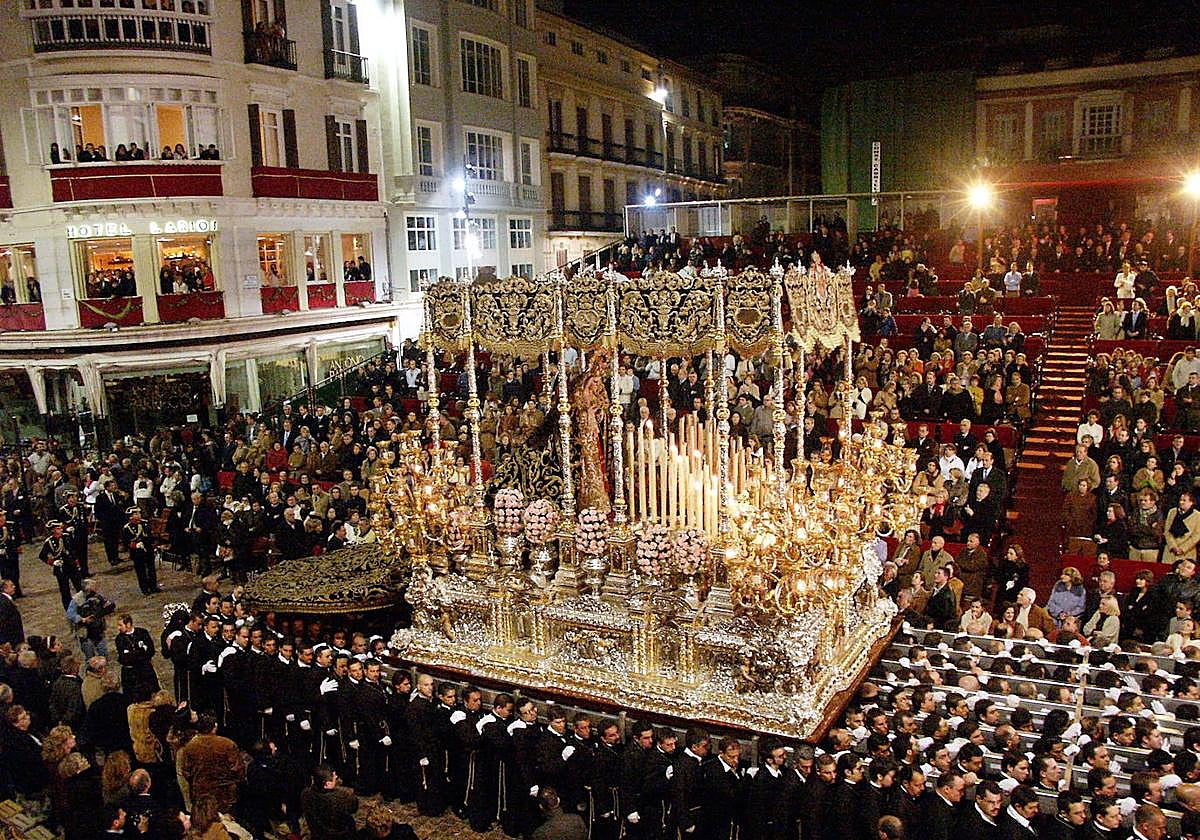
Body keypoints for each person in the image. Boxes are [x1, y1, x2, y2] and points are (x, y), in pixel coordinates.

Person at [302, 765, 359, 840]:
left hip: (317, 834)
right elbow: (354, 808)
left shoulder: (305, 794)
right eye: (334, 777)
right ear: (327, 784)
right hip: (340, 835)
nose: (336, 777)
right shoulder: (343, 797)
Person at [114, 613, 159, 702]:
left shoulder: (142, 633)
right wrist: (141, 651)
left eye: (120, 625)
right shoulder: (119, 639)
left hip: (146, 671)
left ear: (128, 624)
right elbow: (124, 658)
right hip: (130, 674)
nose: (118, 628)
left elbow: (151, 651)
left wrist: (133, 654)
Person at [122, 506, 160, 595]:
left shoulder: (145, 523)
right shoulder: (127, 528)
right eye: (136, 514)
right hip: (137, 552)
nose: (139, 515)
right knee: (141, 571)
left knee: (151, 569)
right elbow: (126, 542)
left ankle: (153, 586)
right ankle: (144, 588)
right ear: (130, 517)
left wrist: (151, 544)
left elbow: (150, 536)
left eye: (139, 513)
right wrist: (136, 545)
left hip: (148, 549)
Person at [0, 578, 21, 646]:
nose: (14, 586)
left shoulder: (6, 599)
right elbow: (3, 622)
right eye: (11, 586)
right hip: (12, 638)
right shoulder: (4, 603)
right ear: (5, 589)